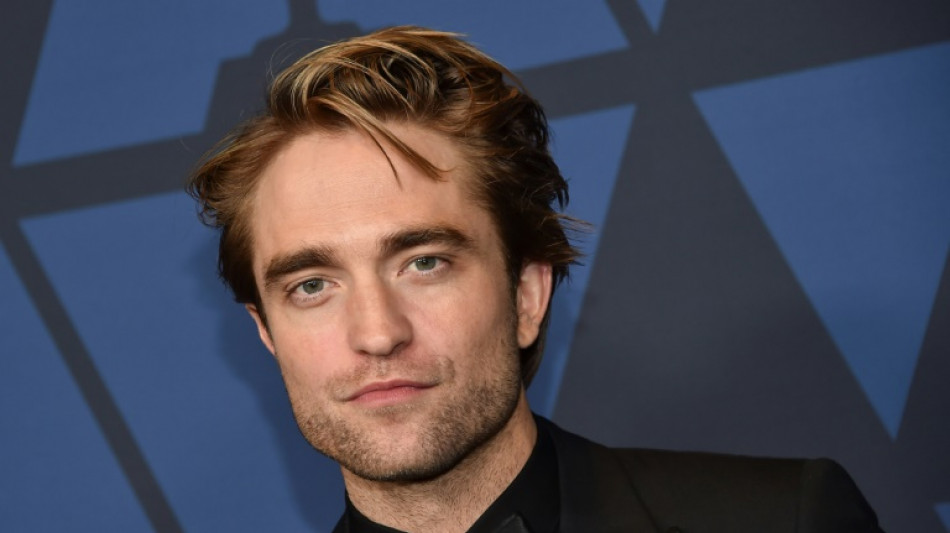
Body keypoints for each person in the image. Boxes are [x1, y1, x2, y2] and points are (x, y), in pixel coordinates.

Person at [188, 26, 882, 533]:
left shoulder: (785, 518)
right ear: (266, 332)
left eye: (424, 262)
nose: (377, 333)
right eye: (312, 285)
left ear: (527, 294)